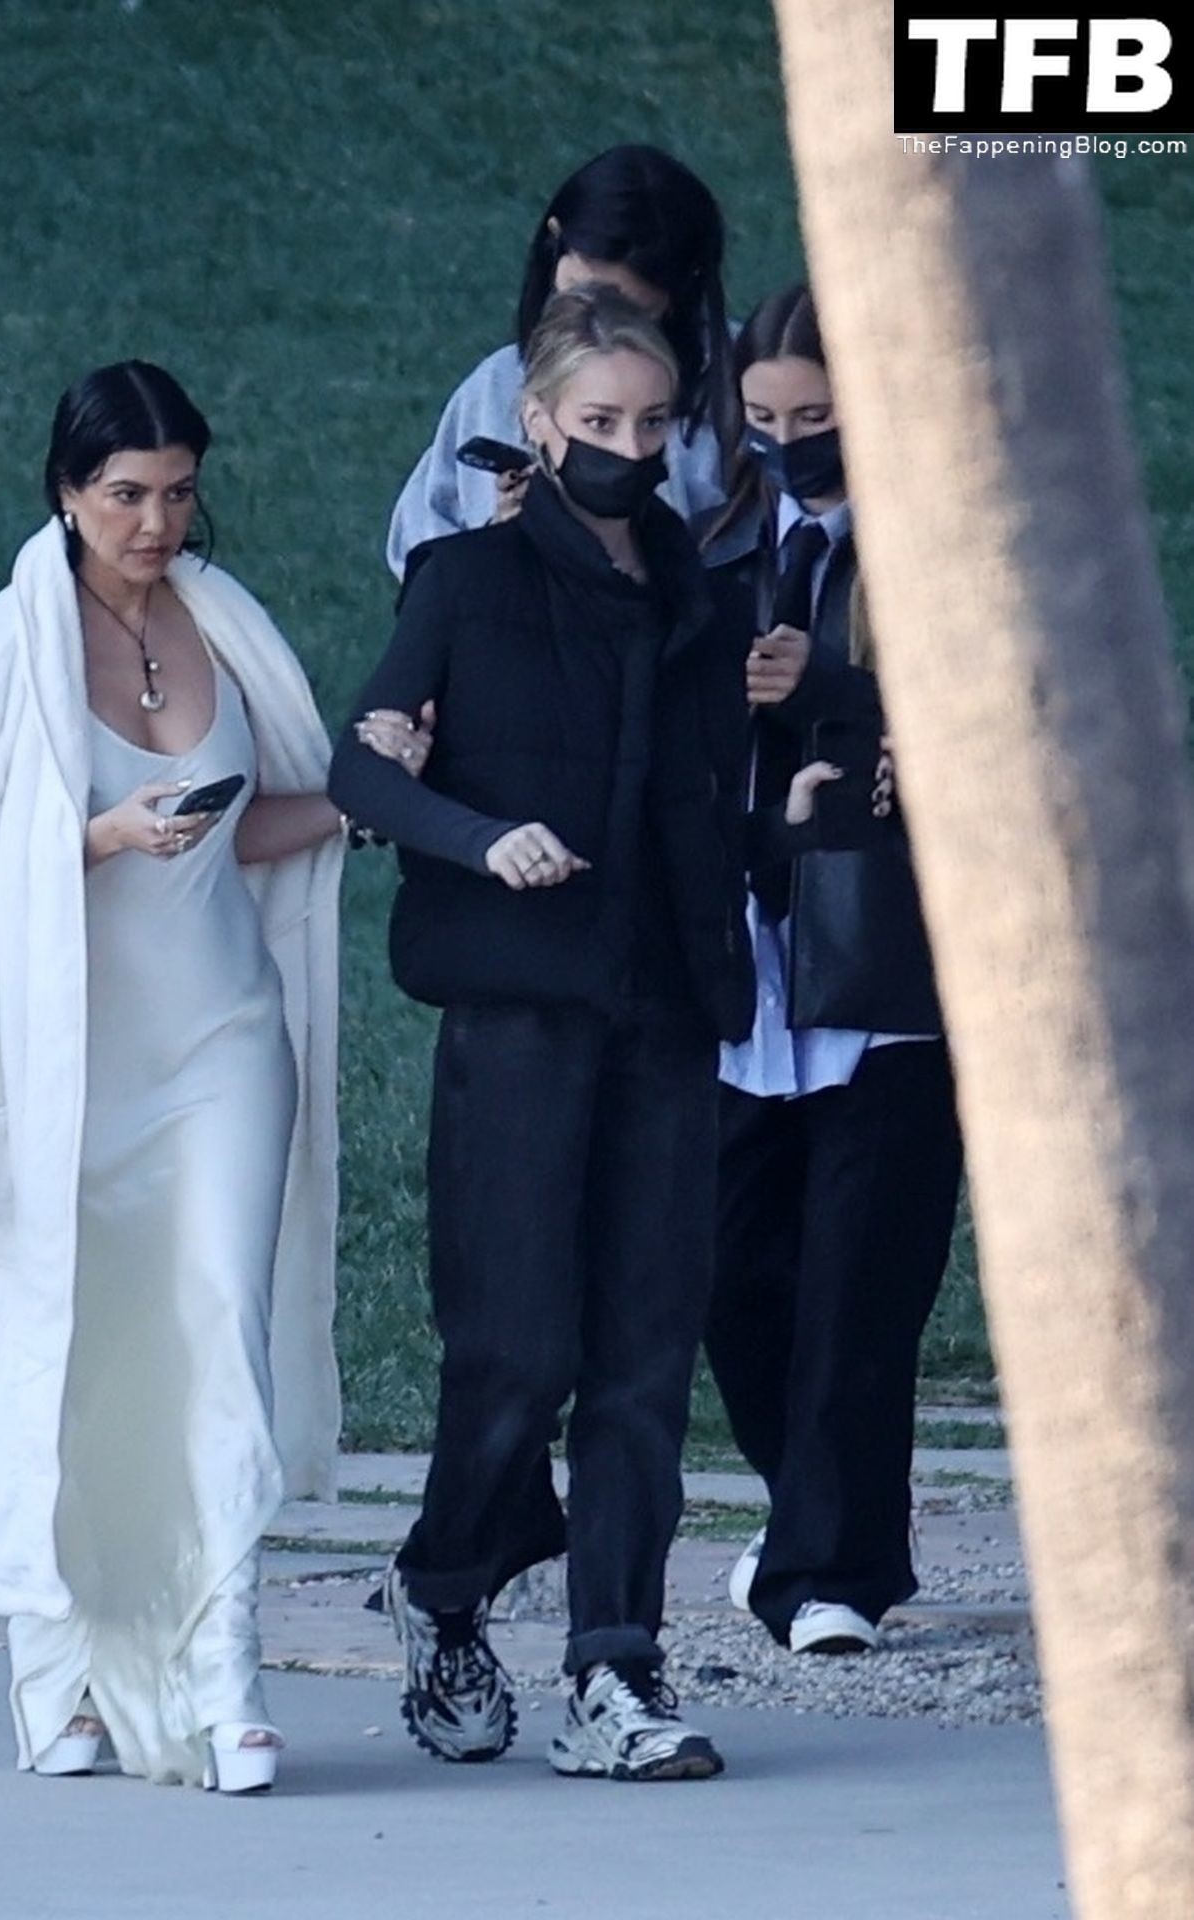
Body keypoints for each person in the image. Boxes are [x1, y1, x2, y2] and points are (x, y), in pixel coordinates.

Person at [0, 360, 424, 1793]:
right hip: (63, 1070)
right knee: (68, 1349)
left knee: (221, 1331)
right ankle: (55, 1669)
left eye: (177, 493)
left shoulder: (228, 626)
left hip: (223, 1043)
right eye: (125, 495)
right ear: (66, 492)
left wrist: (370, 796)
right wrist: (97, 838)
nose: (156, 523)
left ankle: (227, 1679)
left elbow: (250, 826)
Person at [330, 285, 754, 1783]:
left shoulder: (705, 600)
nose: (625, 449)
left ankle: (613, 1669)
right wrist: (478, 833)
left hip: (666, 1015)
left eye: (652, 424)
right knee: (512, 1353)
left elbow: (723, 802)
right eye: (596, 422)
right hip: (514, 1018)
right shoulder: (464, 580)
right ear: (534, 422)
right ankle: (444, 1589)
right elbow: (361, 772)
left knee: (642, 1358)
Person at [698, 286, 964, 1656]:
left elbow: (991, 721)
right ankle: (817, 1517)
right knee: (731, 1276)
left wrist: (834, 690)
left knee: (859, 1285)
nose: (787, 439)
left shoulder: (940, 550)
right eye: (762, 415)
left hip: (890, 975)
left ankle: (825, 1573)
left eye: (814, 414)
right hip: (748, 970)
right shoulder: (721, 544)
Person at [385, 143, 735, 578]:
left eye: (631, 315)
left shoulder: (747, 385)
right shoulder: (496, 387)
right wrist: (500, 540)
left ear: (681, 291)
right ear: (555, 243)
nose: (595, 327)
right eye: (578, 295)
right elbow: (421, 545)